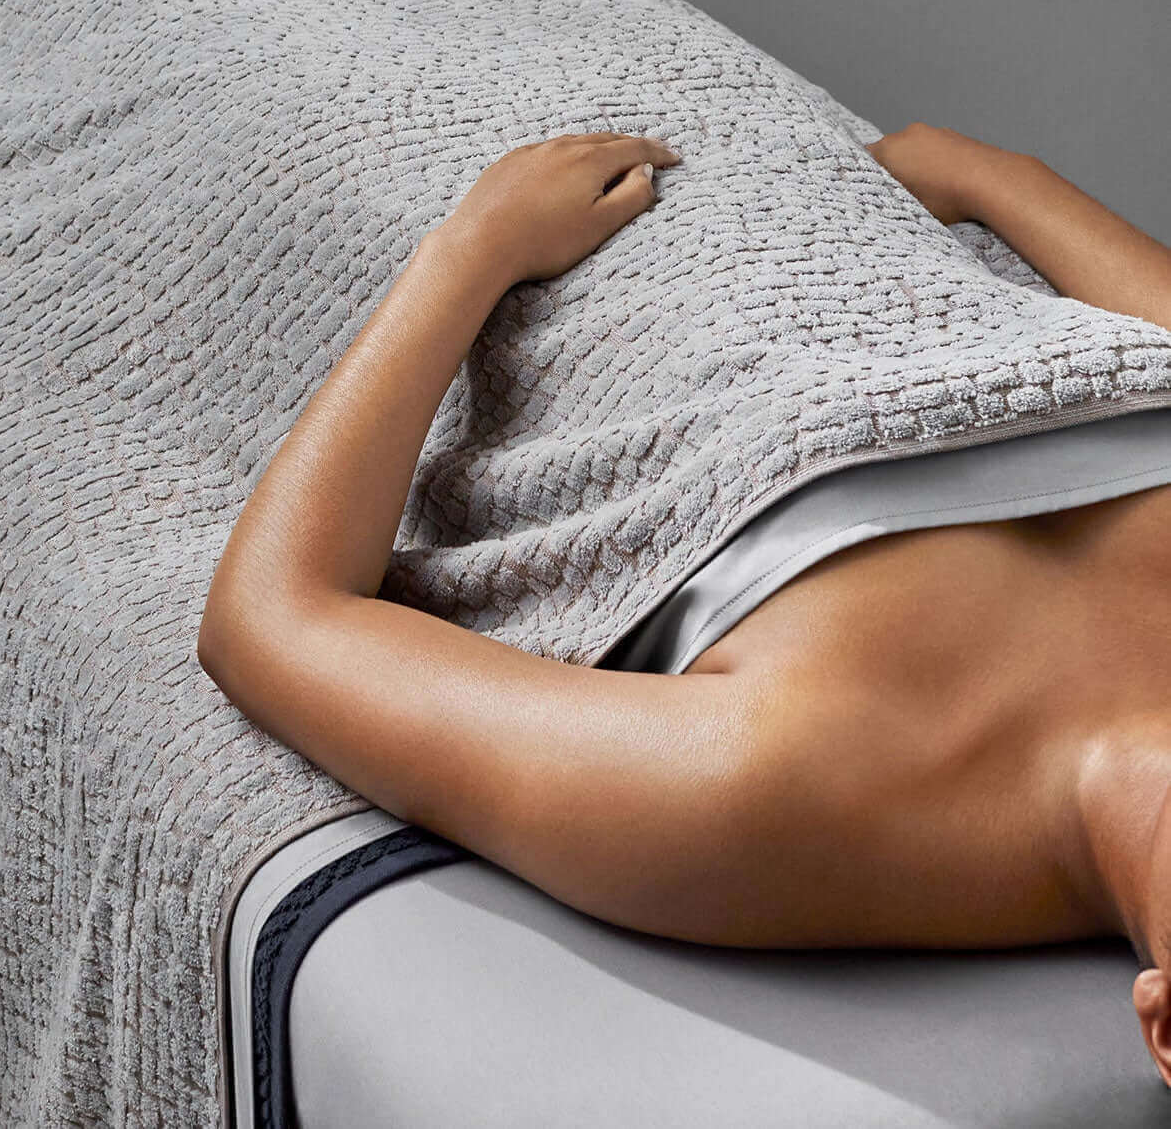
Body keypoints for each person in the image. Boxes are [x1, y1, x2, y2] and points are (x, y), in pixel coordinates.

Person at [197, 120, 1171, 1086]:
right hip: (824, 177)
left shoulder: (784, 799)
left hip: (443, 210)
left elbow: (276, 618)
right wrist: (988, 172)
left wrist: (472, 245)